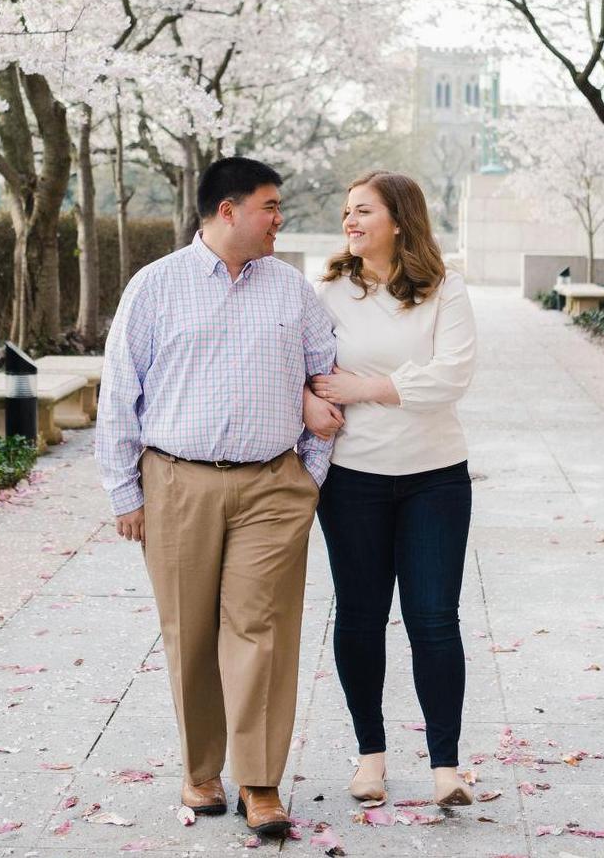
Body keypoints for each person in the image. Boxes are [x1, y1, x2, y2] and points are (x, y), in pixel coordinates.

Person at [95, 156, 336, 837]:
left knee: (259, 631)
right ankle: (201, 771)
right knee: (189, 630)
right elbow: (120, 392)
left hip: (270, 484)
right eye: (268, 206)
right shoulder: (155, 287)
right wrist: (124, 492)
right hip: (176, 481)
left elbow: (327, 379)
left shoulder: (291, 290)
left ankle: (259, 782)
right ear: (226, 211)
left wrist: (308, 475)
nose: (278, 219)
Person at [305, 170, 477, 808]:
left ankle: (446, 769)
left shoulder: (444, 288)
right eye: (347, 212)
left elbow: (451, 377)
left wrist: (365, 387)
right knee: (360, 616)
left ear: (400, 220)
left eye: (364, 212)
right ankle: (369, 758)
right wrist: (312, 396)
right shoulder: (324, 293)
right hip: (353, 480)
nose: (350, 222)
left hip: (435, 477)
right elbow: (299, 368)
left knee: (434, 619)